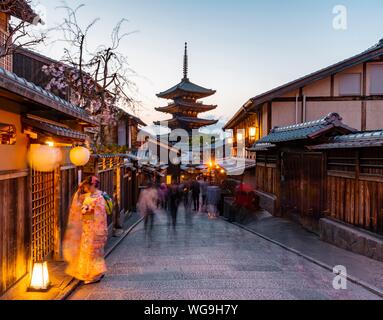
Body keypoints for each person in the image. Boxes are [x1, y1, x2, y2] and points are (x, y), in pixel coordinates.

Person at [63, 176, 108, 285]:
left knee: (91, 252)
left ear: (92, 185)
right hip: (95, 228)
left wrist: (83, 211)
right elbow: (81, 202)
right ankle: (98, 272)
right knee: (96, 253)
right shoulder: (98, 196)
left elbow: (91, 216)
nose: (87, 189)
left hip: (93, 229)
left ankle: (93, 275)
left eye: (88, 187)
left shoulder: (94, 198)